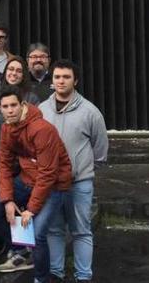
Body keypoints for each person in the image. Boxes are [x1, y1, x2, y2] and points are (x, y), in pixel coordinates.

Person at [0, 86, 72, 278]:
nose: (10, 110)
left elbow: (48, 173)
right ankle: (22, 250)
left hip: (53, 186)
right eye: (5, 107)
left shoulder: (42, 129)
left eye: (13, 105)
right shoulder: (7, 128)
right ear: (0, 109)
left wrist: (30, 209)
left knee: (38, 232)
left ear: (22, 105)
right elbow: (4, 165)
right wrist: (7, 200)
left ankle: (41, 277)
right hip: (26, 179)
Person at [39, 60, 108, 283]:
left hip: (79, 183)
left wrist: (82, 170)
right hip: (51, 183)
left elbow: (100, 150)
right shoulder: (41, 110)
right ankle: (56, 274)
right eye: (57, 77)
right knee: (55, 230)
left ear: (75, 80)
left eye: (66, 77)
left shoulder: (90, 112)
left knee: (81, 230)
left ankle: (83, 276)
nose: (61, 81)